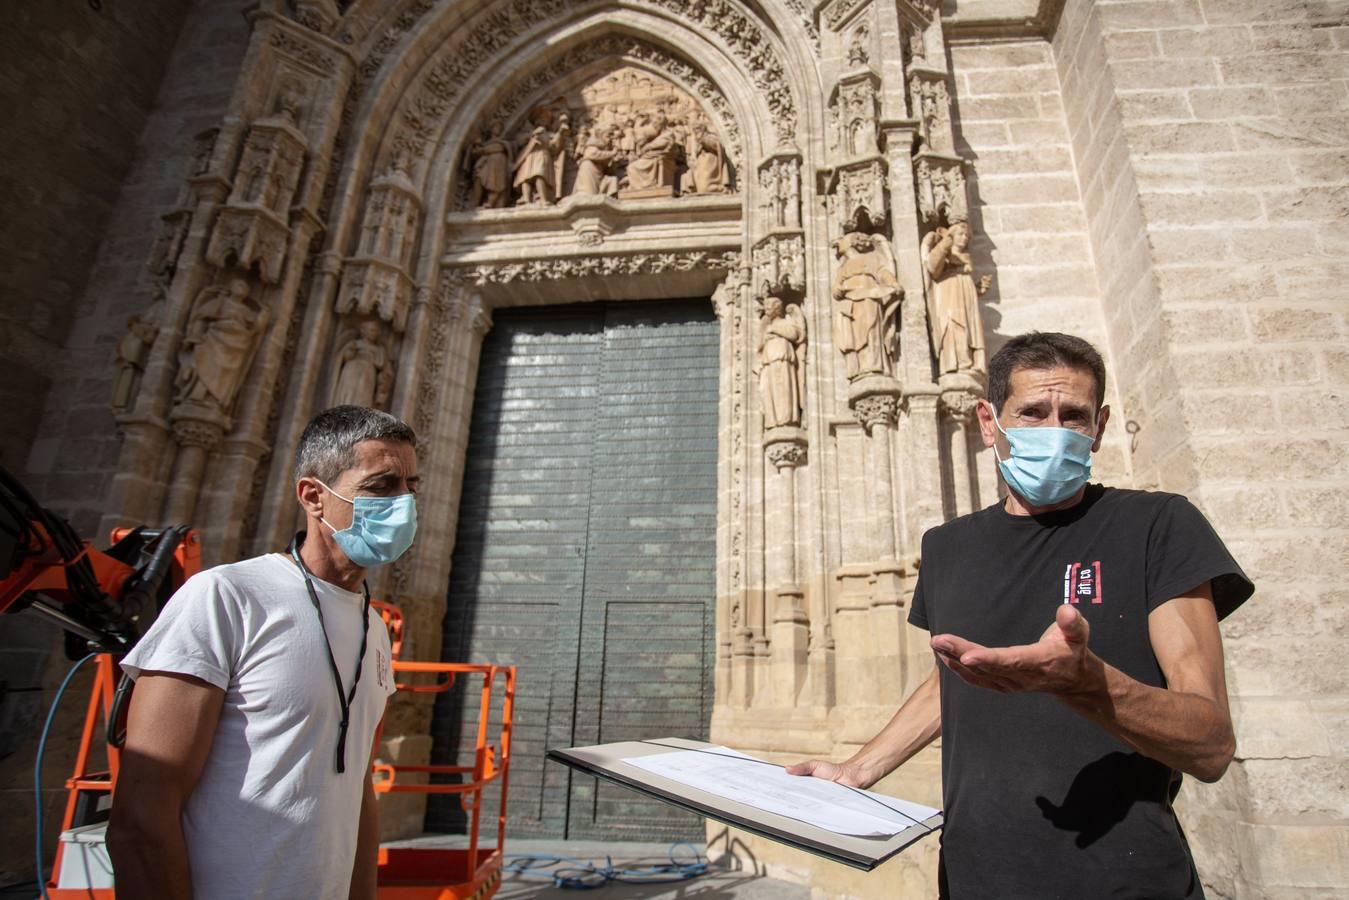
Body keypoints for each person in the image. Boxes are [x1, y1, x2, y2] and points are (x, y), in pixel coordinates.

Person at [788, 332, 1253, 899]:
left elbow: (1211, 746)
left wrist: (1087, 684)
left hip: (1126, 881)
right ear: (989, 422)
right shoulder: (947, 547)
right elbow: (958, 679)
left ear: (1100, 427)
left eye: (1073, 416)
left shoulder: (1158, 526)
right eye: (1032, 413)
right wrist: (859, 770)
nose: (1054, 430)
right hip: (973, 879)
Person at [108, 406, 417, 900]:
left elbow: (354, 790)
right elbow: (142, 814)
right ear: (314, 496)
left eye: (411, 486)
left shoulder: (374, 628)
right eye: (382, 486)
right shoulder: (226, 598)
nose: (404, 503)